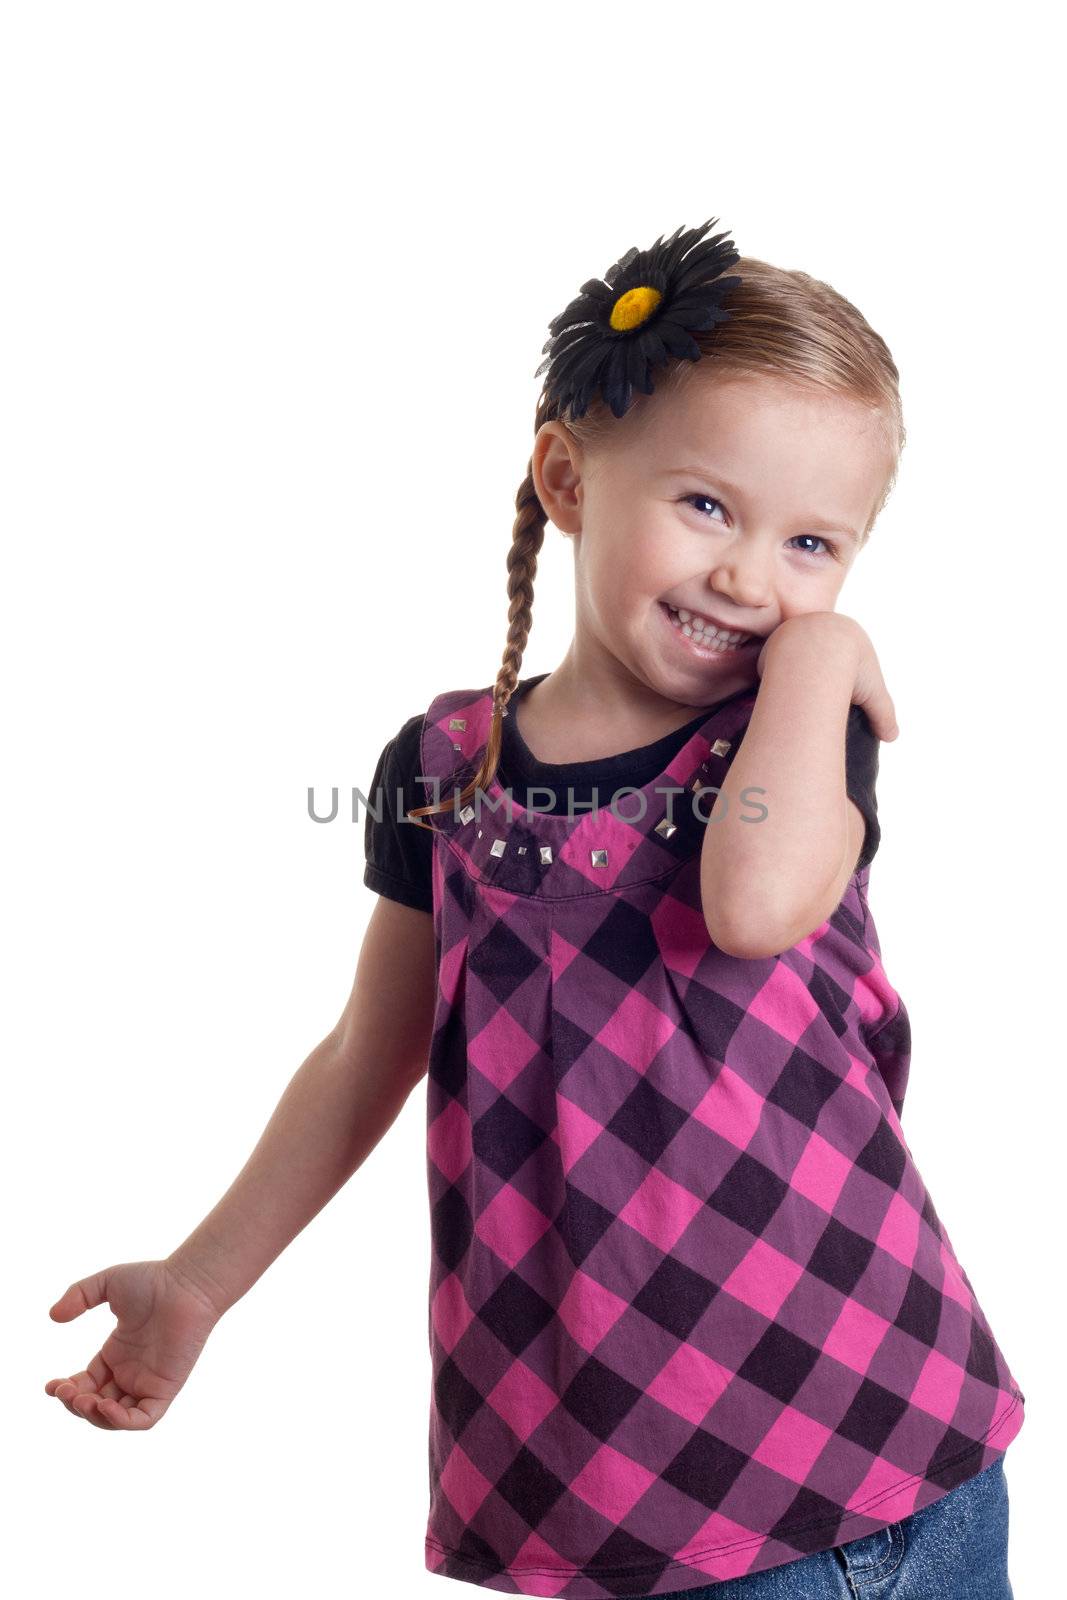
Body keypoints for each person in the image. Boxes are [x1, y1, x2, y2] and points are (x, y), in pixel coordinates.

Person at [45, 220, 1024, 1599]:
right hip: (619, 1486)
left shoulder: (794, 734)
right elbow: (363, 1054)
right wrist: (201, 1280)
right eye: (706, 508)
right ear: (567, 475)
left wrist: (830, 653)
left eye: (815, 545)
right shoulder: (443, 770)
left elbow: (752, 904)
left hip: (871, 1431)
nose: (753, 580)